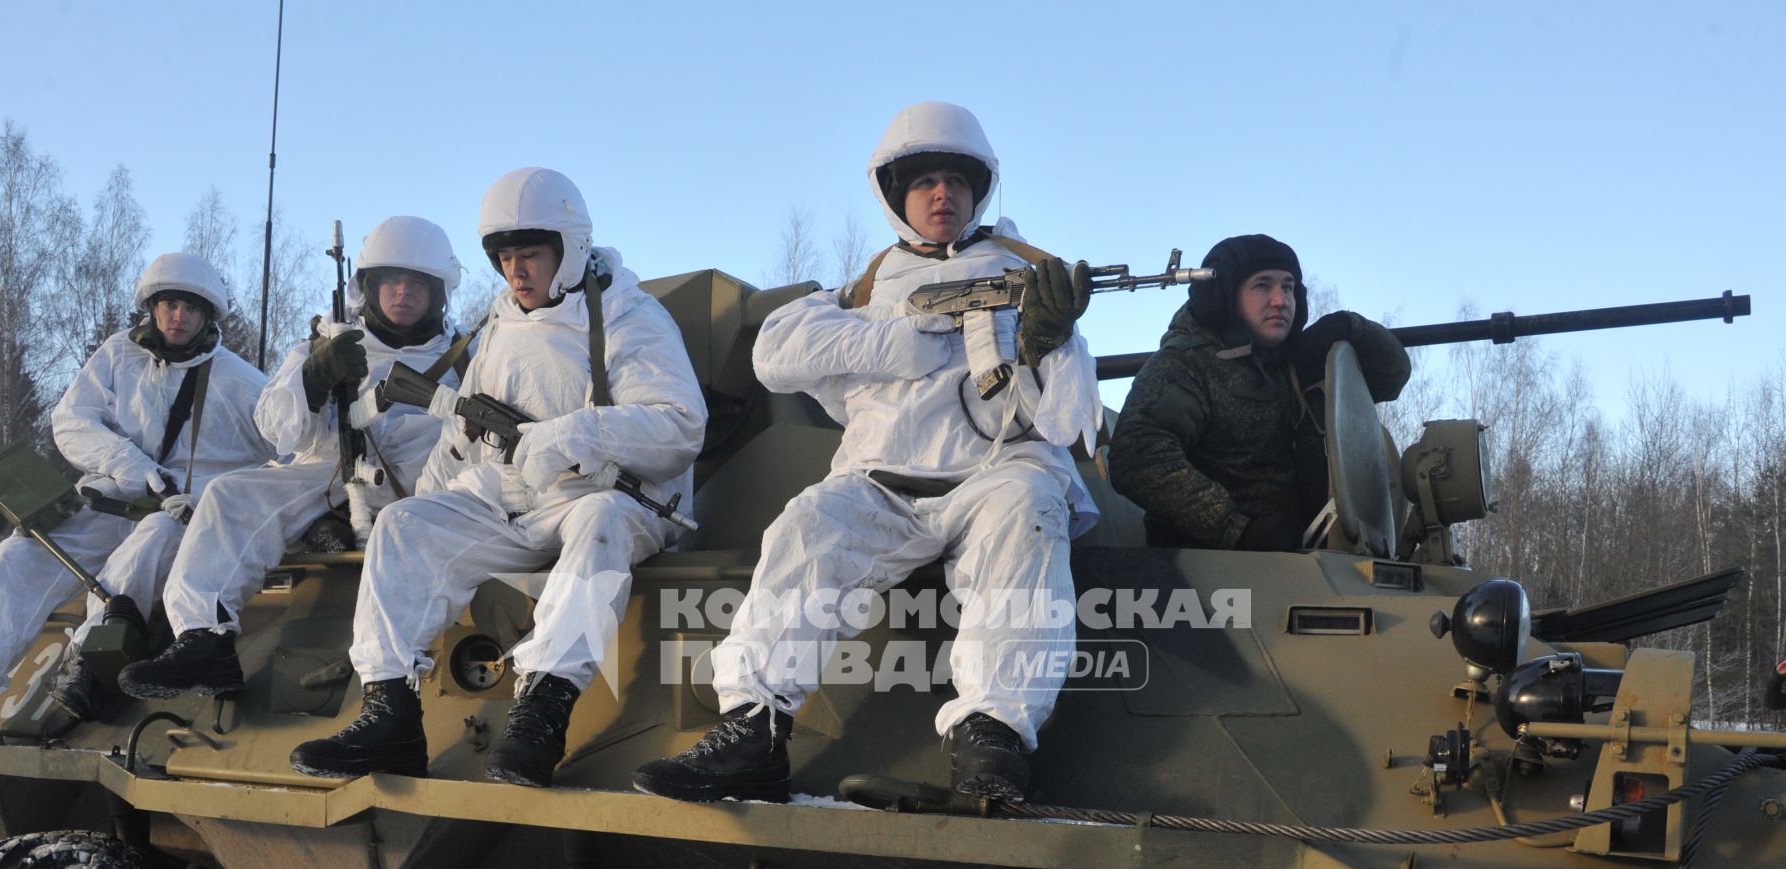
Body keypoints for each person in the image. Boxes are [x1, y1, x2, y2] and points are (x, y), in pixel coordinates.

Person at [632, 100, 1100, 805]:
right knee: (806, 528)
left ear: (979, 191)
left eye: (957, 181)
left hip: (994, 475)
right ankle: (753, 729)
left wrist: (1049, 343)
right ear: (894, 195)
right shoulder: (867, 285)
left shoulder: (1030, 279)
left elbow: (1068, 423)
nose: (943, 195)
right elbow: (775, 353)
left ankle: (993, 739)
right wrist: (893, 340)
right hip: (882, 485)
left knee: (1031, 510)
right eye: (925, 182)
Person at [288, 167, 706, 786]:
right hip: (511, 497)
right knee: (402, 526)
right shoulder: (501, 322)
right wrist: (426, 506)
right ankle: (391, 714)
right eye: (505, 257)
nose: (516, 271)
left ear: (570, 249)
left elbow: (679, 427)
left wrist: (571, 434)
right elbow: (464, 436)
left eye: (531, 255)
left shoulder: (628, 318)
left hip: (607, 494)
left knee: (602, 523)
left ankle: (541, 711)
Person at [0, 252, 270, 725]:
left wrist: (212, 496)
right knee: (18, 557)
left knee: (146, 548)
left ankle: (87, 665)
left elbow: (290, 447)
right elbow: (71, 421)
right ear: (153, 307)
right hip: (112, 500)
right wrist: (129, 464)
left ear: (207, 316)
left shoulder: (239, 382)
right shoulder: (119, 355)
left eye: (191, 308)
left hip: (181, 514)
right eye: (170, 304)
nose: (179, 316)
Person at [118, 216, 469, 700]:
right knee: (229, 495)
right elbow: (276, 426)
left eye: (415, 283)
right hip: (327, 469)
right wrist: (314, 378)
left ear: (436, 291)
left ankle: (389, 684)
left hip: (422, 486)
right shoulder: (327, 339)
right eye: (390, 281)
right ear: (368, 286)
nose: (402, 293)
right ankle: (204, 637)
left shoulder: (465, 357)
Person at [1107, 234, 1411, 550]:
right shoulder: (1187, 366)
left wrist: (1352, 328)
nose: (1280, 300)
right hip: (1209, 570)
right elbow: (1138, 455)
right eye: (1263, 285)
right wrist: (1235, 529)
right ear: (1224, 296)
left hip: (1304, 558)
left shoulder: (1294, 363)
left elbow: (1393, 376)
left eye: (1289, 287)